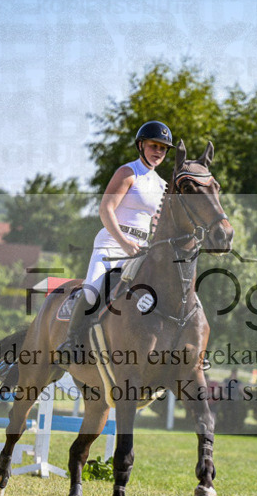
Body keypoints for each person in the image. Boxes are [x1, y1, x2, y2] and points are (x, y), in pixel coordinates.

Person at [57, 121, 173, 357]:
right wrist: (124, 242)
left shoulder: (162, 185)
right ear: (141, 145)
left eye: (163, 148)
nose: (158, 152)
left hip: (141, 250)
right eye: (154, 146)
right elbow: (105, 209)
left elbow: (158, 225)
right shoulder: (128, 172)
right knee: (93, 290)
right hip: (112, 244)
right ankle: (71, 341)